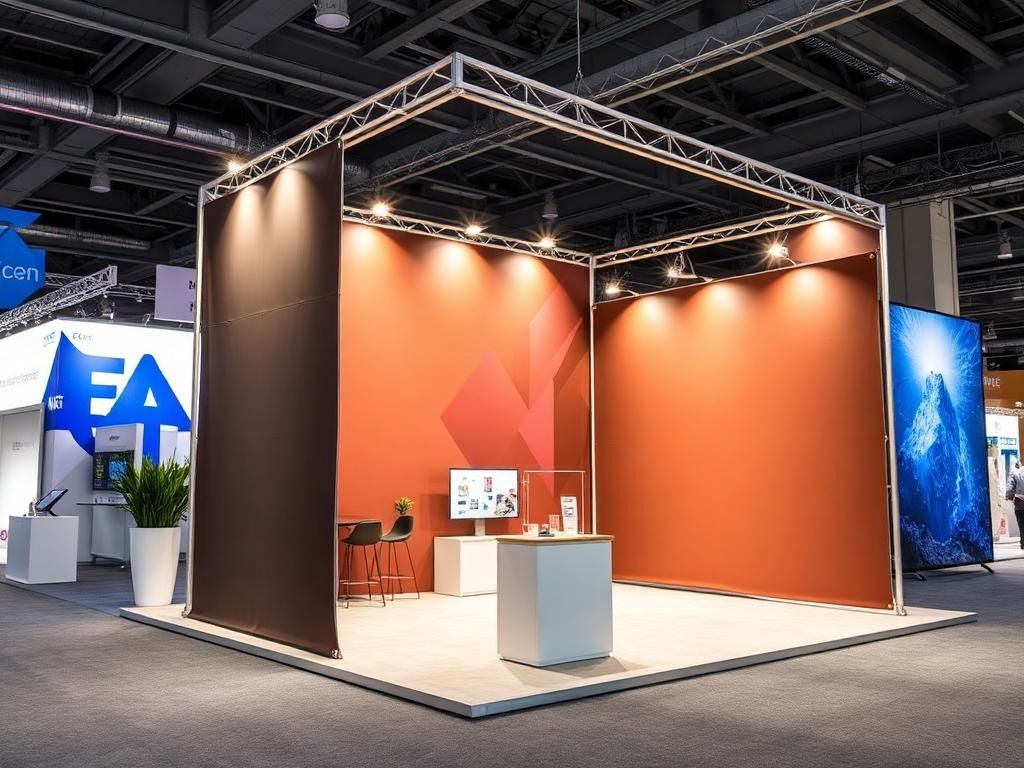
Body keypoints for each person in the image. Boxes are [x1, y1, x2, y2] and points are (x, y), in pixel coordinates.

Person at [1005, 460, 1024, 550]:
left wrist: (1009, 496)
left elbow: (1010, 487)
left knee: (1022, 525)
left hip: (1020, 502)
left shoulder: (1015, 472)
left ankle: (1023, 544)